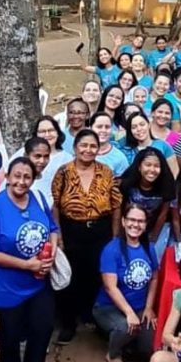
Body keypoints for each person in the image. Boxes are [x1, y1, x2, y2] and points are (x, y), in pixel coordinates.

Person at [0, 157, 60, 362]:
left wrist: (52, 250)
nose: (21, 182)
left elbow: (53, 228)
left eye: (27, 177)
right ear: (7, 177)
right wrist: (27, 265)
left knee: (43, 327)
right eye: (17, 176)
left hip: (38, 281)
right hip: (7, 286)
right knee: (10, 335)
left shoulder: (37, 199)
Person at [51, 129, 123, 344]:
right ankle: (67, 323)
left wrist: (115, 235)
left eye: (93, 146)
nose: (88, 150)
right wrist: (59, 236)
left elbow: (116, 205)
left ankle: (90, 316)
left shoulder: (106, 172)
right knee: (69, 276)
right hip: (71, 229)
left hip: (100, 230)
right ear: (75, 147)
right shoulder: (63, 172)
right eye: (84, 145)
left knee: (95, 275)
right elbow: (55, 206)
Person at [95, 204, 160, 362]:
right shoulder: (112, 249)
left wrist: (148, 307)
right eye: (131, 220)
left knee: (149, 350)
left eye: (140, 221)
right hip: (109, 307)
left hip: (139, 307)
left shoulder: (149, 248)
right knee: (125, 327)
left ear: (146, 224)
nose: (135, 225)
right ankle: (113, 354)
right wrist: (129, 313)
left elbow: (154, 278)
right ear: (123, 221)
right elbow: (110, 287)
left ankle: (125, 341)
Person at [118, 147, 176, 253]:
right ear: (139, 166)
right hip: (131, 224)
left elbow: (163, 215)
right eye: (148, 165)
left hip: (156, 226)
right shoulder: (128, 184)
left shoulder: (166, 185)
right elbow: (123, 212)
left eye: (156, 166)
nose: (152, 170)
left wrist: (152, 241)